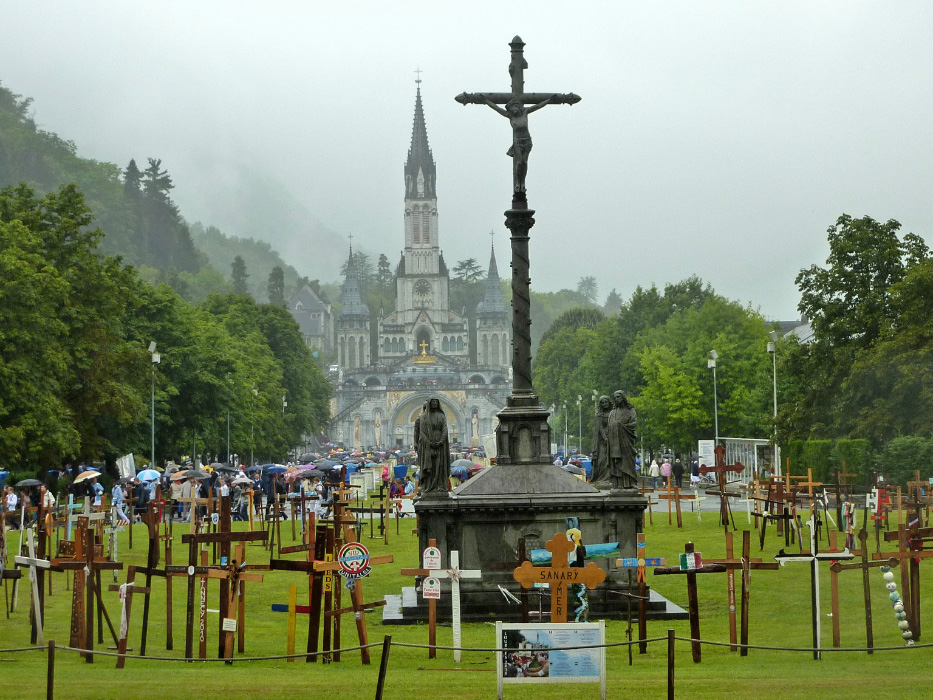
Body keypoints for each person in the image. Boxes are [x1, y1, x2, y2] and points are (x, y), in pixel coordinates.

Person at [417, 398, 451, 495]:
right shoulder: (423, 417)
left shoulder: (441, 416)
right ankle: (429, 486)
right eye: (433, 402)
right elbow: (422, 432)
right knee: (430, 465)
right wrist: (429, 442)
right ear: (429, 404)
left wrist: (441, 441)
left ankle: (440, 485)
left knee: (440, 465)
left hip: (440, 444)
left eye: (436, 402)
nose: (435, 403)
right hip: (428, 445)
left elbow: (445, 429)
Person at [607, 390, 638, 489]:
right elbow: (609, 426)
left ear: (623, 397)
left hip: (627, 441)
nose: (616, 399)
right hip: (616, 442)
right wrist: (616, 426)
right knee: (617, 463)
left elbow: (634, 424)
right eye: (615, 397)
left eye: (618, 397)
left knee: (628, 461)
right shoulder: (613, 412)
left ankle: (631, 482)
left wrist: (621, 426)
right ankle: (618, 484)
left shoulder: (631, 411)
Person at [591, 395, 612, 486]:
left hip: (613, 439)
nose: (604, 404)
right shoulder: (599, 415)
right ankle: (602, 478)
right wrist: (605, 437)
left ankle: (610, 479)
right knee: (602, 460)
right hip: (602, 441)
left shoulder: (613, 413)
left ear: (609, 402)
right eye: (602, 403)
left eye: (606, 402)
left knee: (611, 460)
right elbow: (599, 428)